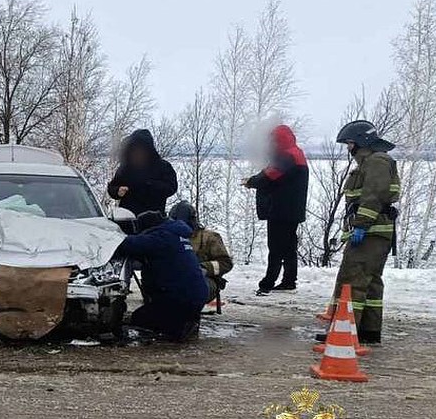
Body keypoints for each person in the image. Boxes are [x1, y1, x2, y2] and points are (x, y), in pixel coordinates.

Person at [322, 120, 400, 344]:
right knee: (371, 282)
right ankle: (368, 330)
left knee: (353, 280)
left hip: (370, 232)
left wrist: (361, 226)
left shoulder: (377, 162)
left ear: (361, 142)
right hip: (376, 232)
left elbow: (373, 196)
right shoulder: (375, 161)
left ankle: (345, 333)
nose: (349, 148)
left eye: (350, 143)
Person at [115, 210, 210, 342]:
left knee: (139, 319)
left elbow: (128, 244)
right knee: (155, 313)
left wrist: (110, 236)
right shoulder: (176, 235)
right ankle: (185, 320)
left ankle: (177, 327)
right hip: (195, 294)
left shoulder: (161, 237)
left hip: (179, 298)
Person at [243, 124, 309, 296]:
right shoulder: (297, 153)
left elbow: (270, 175)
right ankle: (289, 280)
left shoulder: (286, 156)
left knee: (276, 247)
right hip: (293, 210)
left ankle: (267, 283)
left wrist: (251, 181)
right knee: (288, 246)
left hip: (281, 209)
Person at [168, 201, 233, 304]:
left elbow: (225, 263)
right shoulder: (167, 237)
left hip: (204, 281)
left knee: (193, 288)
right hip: (173, 280)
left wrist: (204, 268)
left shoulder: (209, 237)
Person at [107, 128, 178, 216]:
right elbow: (112, 186)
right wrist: (117, 191)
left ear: (149, 150)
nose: (138, 153)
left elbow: (171, 187)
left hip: (155, 219)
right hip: (128, 219)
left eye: (141, 150)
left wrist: (150, 185)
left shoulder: (163, 166)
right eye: (134, 149)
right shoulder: (126, 167)